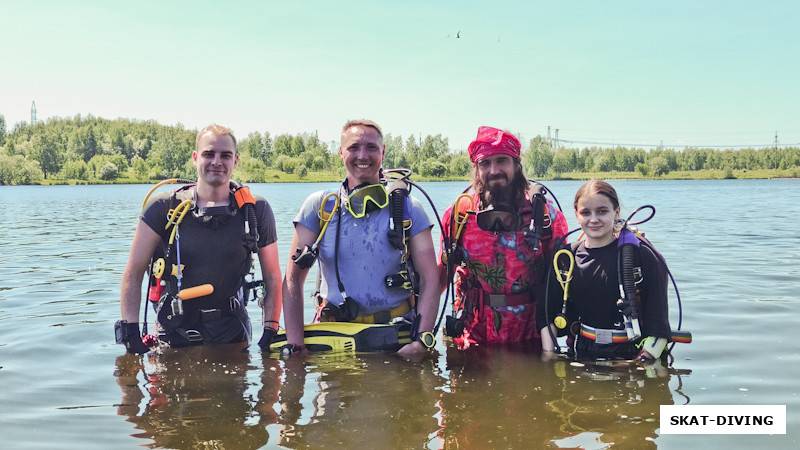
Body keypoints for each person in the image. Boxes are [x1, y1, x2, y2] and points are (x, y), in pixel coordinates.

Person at [117, 124, 282, 353]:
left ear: (235, 161)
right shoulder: (164, 207)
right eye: (208, 154)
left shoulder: (255, 210)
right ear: (195, 158)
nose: (217, 161)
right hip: (173, 329)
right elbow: (133, 273)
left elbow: (273, 277)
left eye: (225, 155)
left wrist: (270, 331)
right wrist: (130, 334)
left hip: (232, 332)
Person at [282, 119, 440, 357]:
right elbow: (293, 279)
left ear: (383, 152)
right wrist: (295, 344)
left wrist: (421, 341)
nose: (362, 155)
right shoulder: (319, 207)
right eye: (354, 147)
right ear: (341, 152)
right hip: (335, 337)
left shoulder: (409, 208)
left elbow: (431, 278)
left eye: (372, 147)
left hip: (397, 337)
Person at [438, 126, 568, 348]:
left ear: (517, 165)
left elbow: (564, 282)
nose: (493, 170)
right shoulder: (459, 215)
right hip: (472, 335)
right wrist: (420, 332)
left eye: (501, 161)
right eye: (485, 163)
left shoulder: (546, 217)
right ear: (476, 169)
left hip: (531, 336)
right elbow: (441, 275)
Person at [538, 179, 672, 360]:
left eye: (602, 211)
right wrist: (549, 355)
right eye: (586, 212)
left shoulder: (642, 256)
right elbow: (546, 314)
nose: (594, 219)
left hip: (631, 353)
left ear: (616, 213)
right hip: (582, 352)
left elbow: (659, 324)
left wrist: (642, 362)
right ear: (576, 214)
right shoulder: (566, 257)